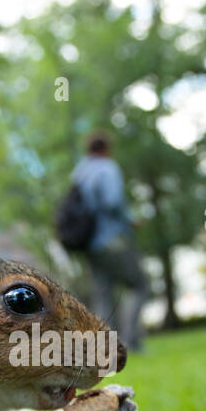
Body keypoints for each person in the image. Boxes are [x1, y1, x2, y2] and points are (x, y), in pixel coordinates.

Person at [71, 131, 149, 352]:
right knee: (139, 285)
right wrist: (130, 220)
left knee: (103, 294)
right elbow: (112, 201)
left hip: (88, 243)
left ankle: (107, 349)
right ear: (106, 149)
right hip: (111, 239)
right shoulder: (107, 168)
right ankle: (131, 341)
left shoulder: (79, 172)